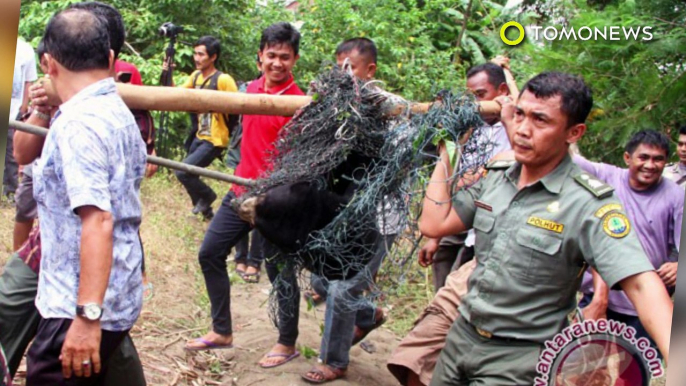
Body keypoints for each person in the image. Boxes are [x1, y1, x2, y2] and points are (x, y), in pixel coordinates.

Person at [420, 71, 672, 385]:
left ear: (574, 132)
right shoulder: (498, 175)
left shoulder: (589, 204)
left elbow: (642, 285)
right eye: (520, 115)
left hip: (519, 361)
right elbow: (433, 223)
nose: (523, 130)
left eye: (540, 120)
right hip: (460, 338)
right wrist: (448, 150)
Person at [24, 8, 147, 384]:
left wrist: (86, 318)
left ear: (48, 62)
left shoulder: (79, 125)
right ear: (110, 59)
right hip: (116, 293)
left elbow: (99, 220)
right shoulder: (115, 109)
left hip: (79, 306)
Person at [186, 23, 305, 364]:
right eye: (271, 55)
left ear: (294, 59)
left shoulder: (300, 103)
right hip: (241, 191)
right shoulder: (247, 91)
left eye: (285, 57)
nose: (277, 63)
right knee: (210, 253)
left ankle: (287, 342)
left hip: (277, 199)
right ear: (260, 58)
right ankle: (221, 330)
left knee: (279, 268)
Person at [298, 37, 391, 383]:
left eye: (350, 67)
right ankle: (368, 315)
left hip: (382, 217)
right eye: (340, 68)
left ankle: (334, 361)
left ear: (371, 70)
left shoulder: (388, 107)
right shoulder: (338, 106)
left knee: (341, 288)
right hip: (349, 214)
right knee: (326, 276)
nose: (344, 74)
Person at [574, 129, 682, 356]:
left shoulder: (676, 196)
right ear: (627, 158)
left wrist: (678, 265)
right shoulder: (607, 176)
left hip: (644, 304)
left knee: (634, 374)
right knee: (581, 369)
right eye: (643, 157)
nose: (650, 165)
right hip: (598, 296)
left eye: (658, 159)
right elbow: (568, 159)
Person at [419, 61, 512, 291]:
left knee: (464, 286)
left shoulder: (515, 129)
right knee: (443, 278)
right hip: (456, 213)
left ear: (502, 92)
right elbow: (451, 170)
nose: (476, 104)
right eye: (472, 97)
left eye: (481, 95)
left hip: (486, 224)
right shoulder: (470, 127)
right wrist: (435, 239)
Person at [164, 36, 238, 220]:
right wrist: (167, 74)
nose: (196, 58)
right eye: (195, 53)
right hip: (199, 134)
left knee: (183, 171)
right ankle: (206, 212)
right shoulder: (196, 76)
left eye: (201, 54)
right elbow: (177, 95)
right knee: (189, 174)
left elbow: (238, 107)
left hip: (214, 138)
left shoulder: (223, 80)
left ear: (213, 57)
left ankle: (208, 197)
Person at [4, 37, 38, 203]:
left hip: (13, 109)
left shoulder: (25, 50)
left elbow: (28, 82)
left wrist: (24, 107)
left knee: (11, 152)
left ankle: (9, 190)